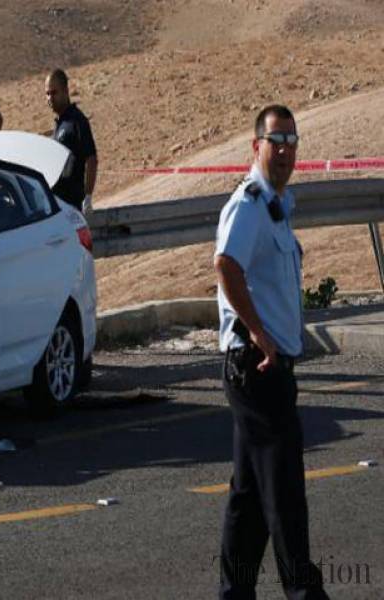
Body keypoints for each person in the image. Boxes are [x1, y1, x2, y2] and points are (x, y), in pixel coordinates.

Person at [214, 105, 329, 599]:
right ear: (255, 146)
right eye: (275, 140)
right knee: (284, 496)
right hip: (257, 368)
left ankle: (232, 593)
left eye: (291, 140)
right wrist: (259, 332)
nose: (284, 150)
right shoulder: (249, 204)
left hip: (270, 368)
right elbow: (225, 265)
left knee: (250, 500)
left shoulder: (279, 205)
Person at [45, 68, 98, 213]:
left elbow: (91, 159)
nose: (50, 98)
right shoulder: (59, 124)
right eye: (47, 94)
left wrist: (87, 197)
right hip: (58, 204)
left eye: (54, 93)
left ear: (65, 91)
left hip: (73, 205)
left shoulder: (77, 121)